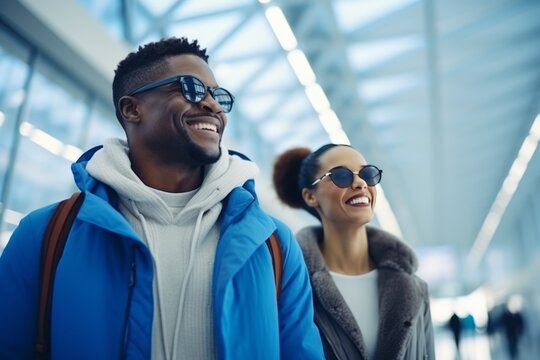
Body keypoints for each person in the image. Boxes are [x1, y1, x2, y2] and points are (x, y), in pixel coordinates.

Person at [0, 36, 324, 359]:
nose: (212, 105)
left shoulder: (272, 242)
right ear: (131, 109)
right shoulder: (45, 234)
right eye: (190, 88)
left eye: (217, 95)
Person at [272, 144, 435, 359]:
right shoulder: (290, 288)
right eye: (341, 175)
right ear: (311, 196)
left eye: (367, 174)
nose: (360, 183)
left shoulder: (416, 290)